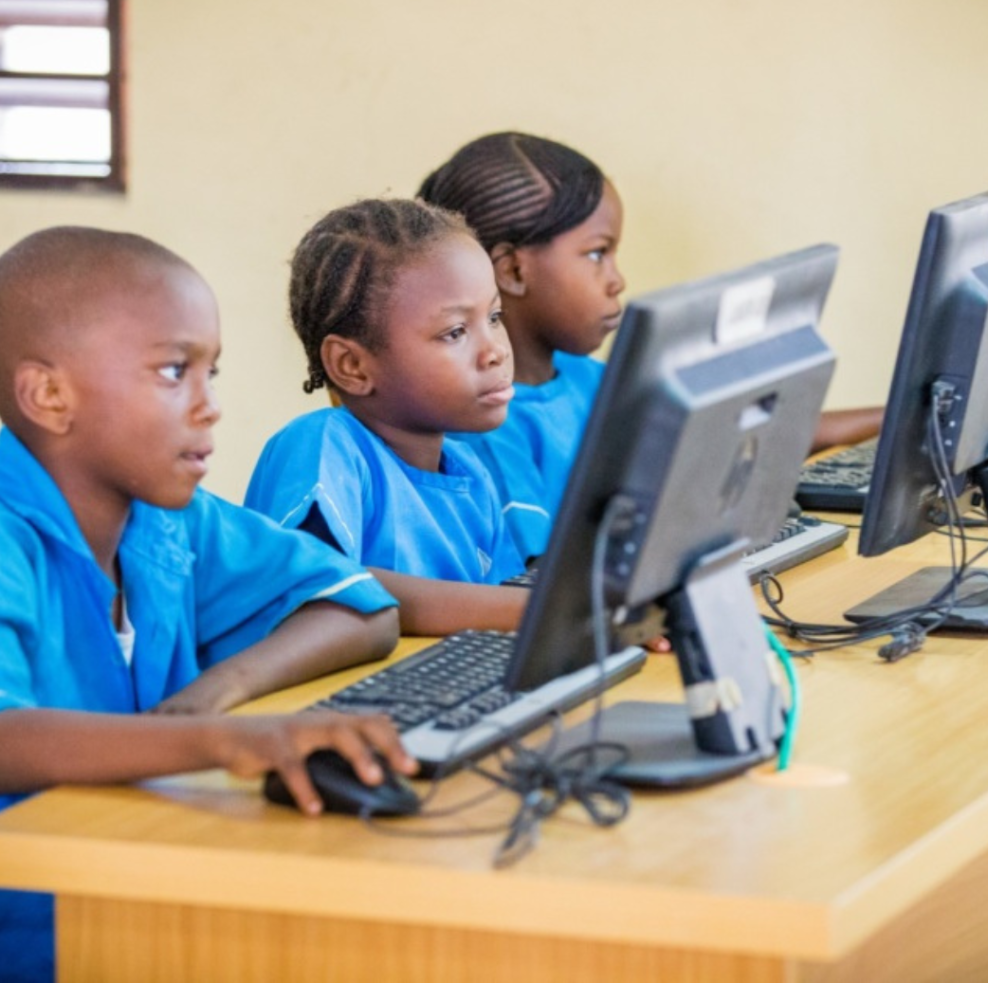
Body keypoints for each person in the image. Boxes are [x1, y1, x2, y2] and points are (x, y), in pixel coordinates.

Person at [0, 226, 418, 982]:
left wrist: (215, 695)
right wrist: (229, 742)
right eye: (173, 372)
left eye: (211, 372)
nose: (210, 407)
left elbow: (363, 609)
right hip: (33, 931)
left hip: (141, 895)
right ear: (49, 395)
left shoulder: (167, 519)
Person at [418, 131, 884, 562]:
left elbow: (740, 433)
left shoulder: (584, 377)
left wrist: (898, 416)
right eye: (597, 253)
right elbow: (539, 578)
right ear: (513, 271)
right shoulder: (483, 423)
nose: (617, 280)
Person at [245, 198, 531, 636]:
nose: (495, 350)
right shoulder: (324, 444)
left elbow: (499, 605)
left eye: (494, 317)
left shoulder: (470, 474)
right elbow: (327, 587)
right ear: (352, 366)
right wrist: (534, 612)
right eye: (455, 332)